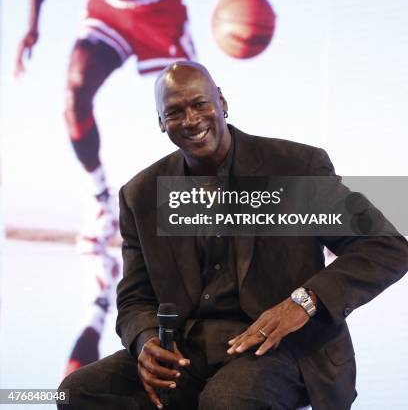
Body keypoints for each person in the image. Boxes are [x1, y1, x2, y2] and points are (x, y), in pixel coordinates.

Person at [14, 0, 237, 374]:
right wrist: (32, 22)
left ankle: (204, 212)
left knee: (194, 119)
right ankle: (98, 203)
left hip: (161, 17)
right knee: (73, 97)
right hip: (108, 16)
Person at [59, 61, 408, 409]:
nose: (192, 120)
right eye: (175, 112)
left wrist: (304, 301)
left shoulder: (293, 167)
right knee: (76, 392)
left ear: (222, 102)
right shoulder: (141, 194)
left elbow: (386, 246)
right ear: (161, 123)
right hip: (186, 354)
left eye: (200, 104)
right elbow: (135, 299)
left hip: (285, 349)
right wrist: (146, 340)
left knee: (226, 402)